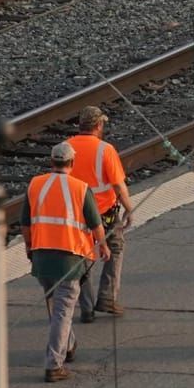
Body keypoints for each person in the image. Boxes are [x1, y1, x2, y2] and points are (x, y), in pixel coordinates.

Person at [18, 141, 104, 383]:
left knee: (56, 308)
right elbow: (96, 224)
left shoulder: (35, 185)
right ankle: (54, 364)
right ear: (72, 163)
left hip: (42, 259)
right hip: (70, 259)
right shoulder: (80, 187)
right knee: (63, 312)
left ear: (51, 161)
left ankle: (69, 345)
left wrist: (28, 247)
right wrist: (104, 246)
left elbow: (25, 223)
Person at [67, 105, 133, 322]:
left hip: (75, 214)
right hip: (104, 213)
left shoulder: (66, 147)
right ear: (98, 125)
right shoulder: (105, 150)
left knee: (82, 257)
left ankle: (86, 307)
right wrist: (129, 208)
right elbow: (118, 185)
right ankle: (107, 298)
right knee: (115, 248)